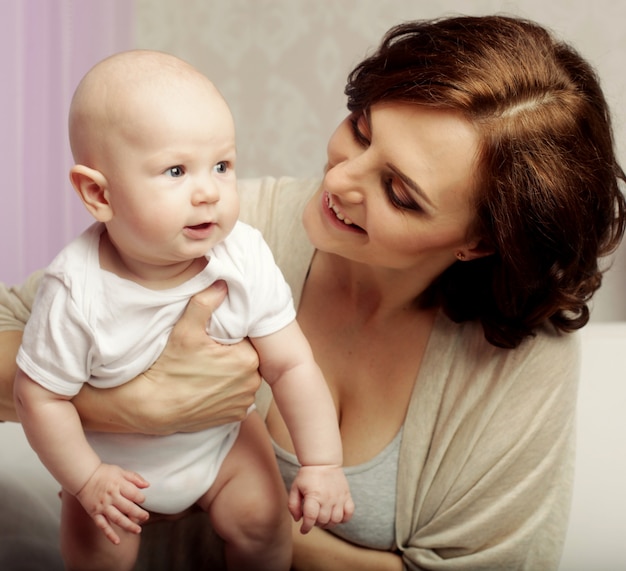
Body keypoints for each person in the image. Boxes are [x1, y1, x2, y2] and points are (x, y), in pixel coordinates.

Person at [1, 13, 625, 571]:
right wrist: (127, 405)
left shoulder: (517, 363)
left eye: (399, 192)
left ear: (478, 242)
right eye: (360, 128)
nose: (340, 178)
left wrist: (263, 525)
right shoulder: (222, 231)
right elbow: (17, 329)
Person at [10, 50, 353, 571]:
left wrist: (323, 463)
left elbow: (291, 365)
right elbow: (38, 395)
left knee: (262, 524)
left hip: (222, 444)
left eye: (222, 165)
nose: (208, 192)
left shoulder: (243, 254)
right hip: (112, 463)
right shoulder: (77, 290)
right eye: (176, 170)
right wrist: (85, 478)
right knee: (100, 554)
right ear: (98, 193)